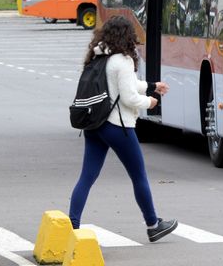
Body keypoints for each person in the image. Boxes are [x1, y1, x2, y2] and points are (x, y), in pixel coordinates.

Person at [68, 15, 177, 242]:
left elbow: (125, 84)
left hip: (95, 125)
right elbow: (129, 97)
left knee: (87, 177)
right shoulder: (123, 60)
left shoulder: (99, 56)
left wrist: (152, 86)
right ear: (127, 36)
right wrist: (150, 102)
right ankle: (153, 225)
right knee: (138, 176)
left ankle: (72, 225)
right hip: (118, 127)